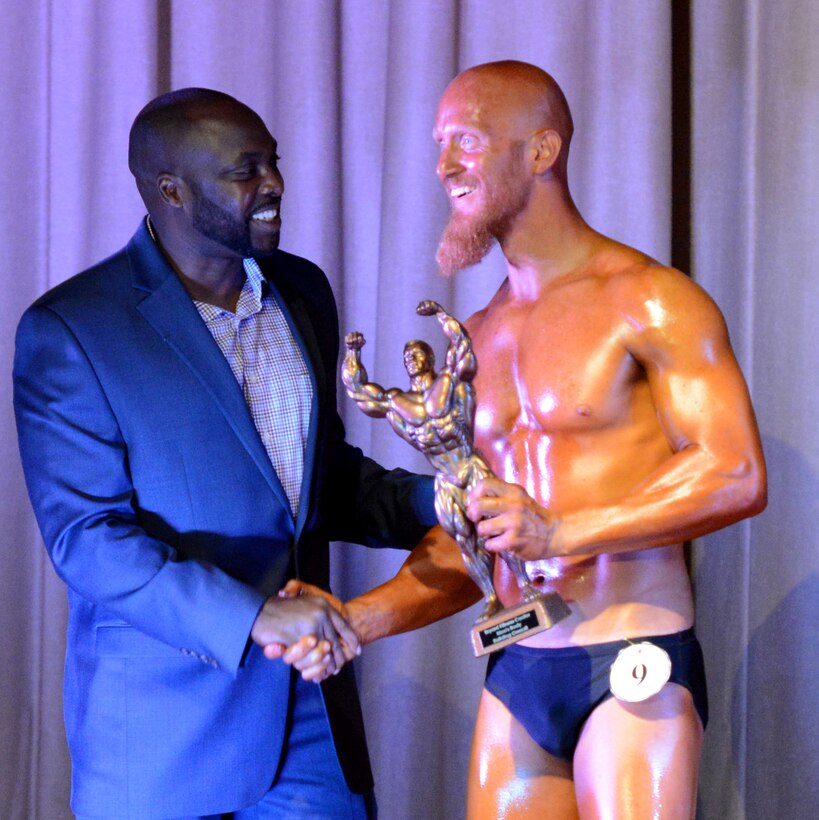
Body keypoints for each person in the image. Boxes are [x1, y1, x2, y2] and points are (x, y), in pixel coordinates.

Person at [12, 88, 475, 819]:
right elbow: (89, 541)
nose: (274, 186)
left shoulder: (302, 291)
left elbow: (321, 479)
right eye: (245, 171)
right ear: (171, 189)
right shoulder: (73, 330)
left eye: (274, 164)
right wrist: (254, 617)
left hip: (311, 718)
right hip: (166, 736)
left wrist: (447, 497)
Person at [429, 60, 767, 818]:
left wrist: (562, 529)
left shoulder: (647, 299)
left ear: (541, 152)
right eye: (439, 144)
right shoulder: (477, 337)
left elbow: (735, 472)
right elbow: (467, 536)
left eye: (467, 141)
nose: (444, 165)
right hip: (517, 661)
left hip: (629, 659)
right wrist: (361, 619)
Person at [341, 301, 544, 621]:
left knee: (496, 528)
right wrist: (353, 355)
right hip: (445, 479)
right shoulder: (399, 402)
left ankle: (525, 584)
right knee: (466, 540)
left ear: (430, 358)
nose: (413, 357)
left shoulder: (448, 384)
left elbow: (462, 348)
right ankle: (492, 599)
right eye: (407, 355)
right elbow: (361, 393)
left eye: (419, 352)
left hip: (471, 466)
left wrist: (441, 316)